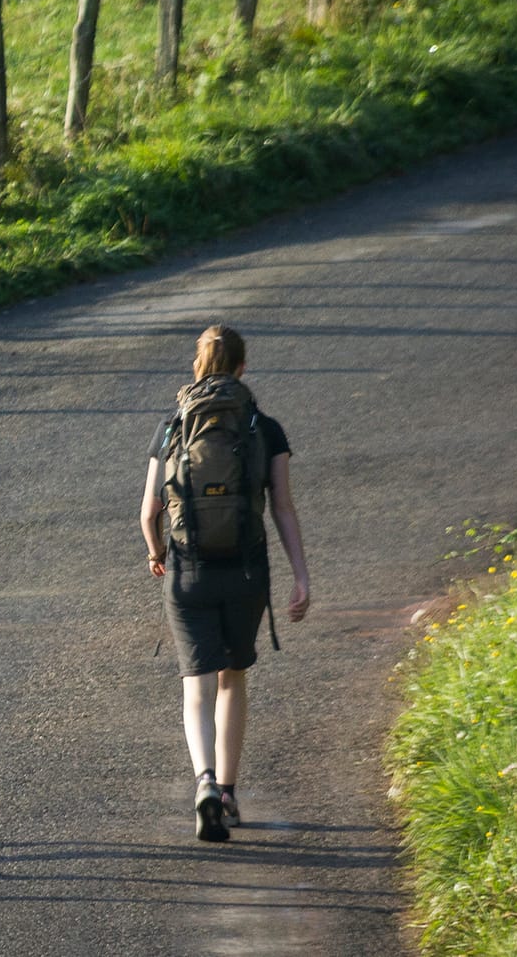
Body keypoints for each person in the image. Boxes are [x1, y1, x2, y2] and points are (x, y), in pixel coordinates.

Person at [139, 325, 311, 842]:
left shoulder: (172, 427)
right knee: (233, 678)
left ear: (197, 366)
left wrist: (157, 553)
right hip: (245, 571)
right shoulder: (264, 427)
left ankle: (205, 782)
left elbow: (148, 512)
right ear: (242, 366)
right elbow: (283, 507)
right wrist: (300, 575)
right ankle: (230, 792)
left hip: (187, 572)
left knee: (198, 684)